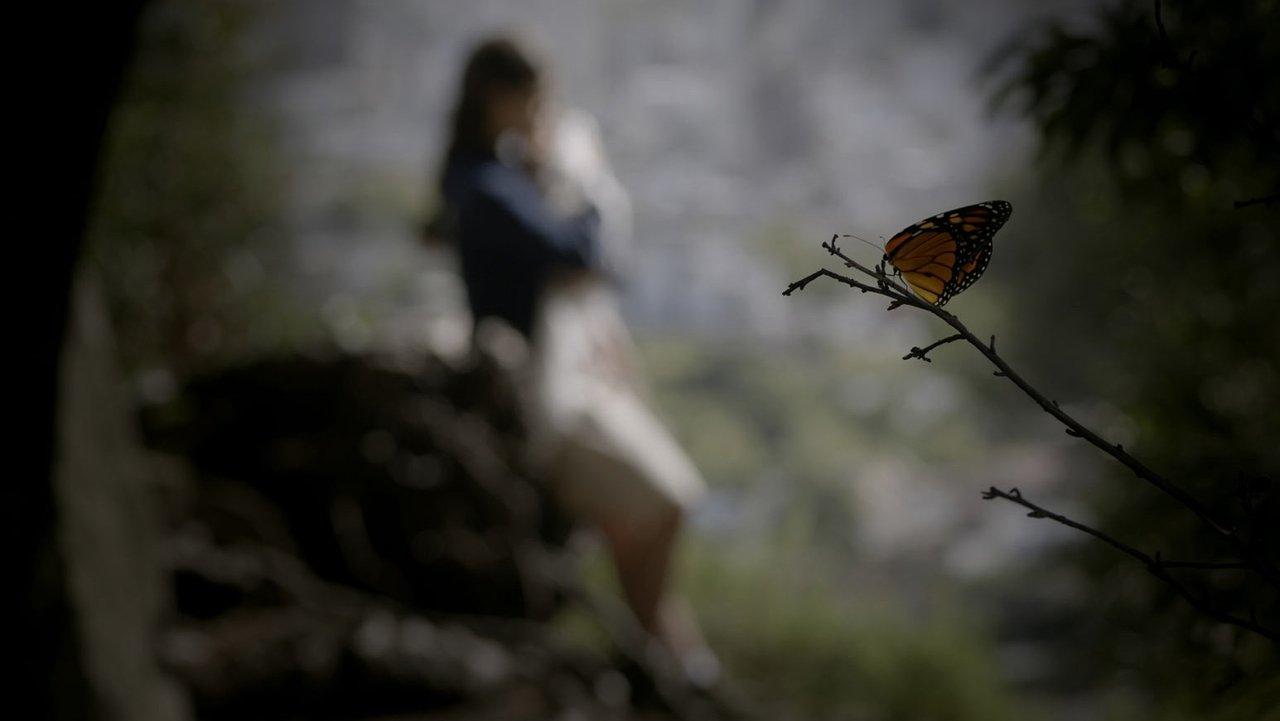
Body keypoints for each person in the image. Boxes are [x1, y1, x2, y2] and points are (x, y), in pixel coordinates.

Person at [433, 34, 717, 684]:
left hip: (560, 381)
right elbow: (579, 250)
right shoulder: (489, 188)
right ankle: (654, 649)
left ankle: (660, 650)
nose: (542, 115)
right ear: (500, 98)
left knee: (659, 507)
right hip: (543, 398)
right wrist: (585, 186)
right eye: (534, 101)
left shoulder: (489, 178)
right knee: (668, 500)